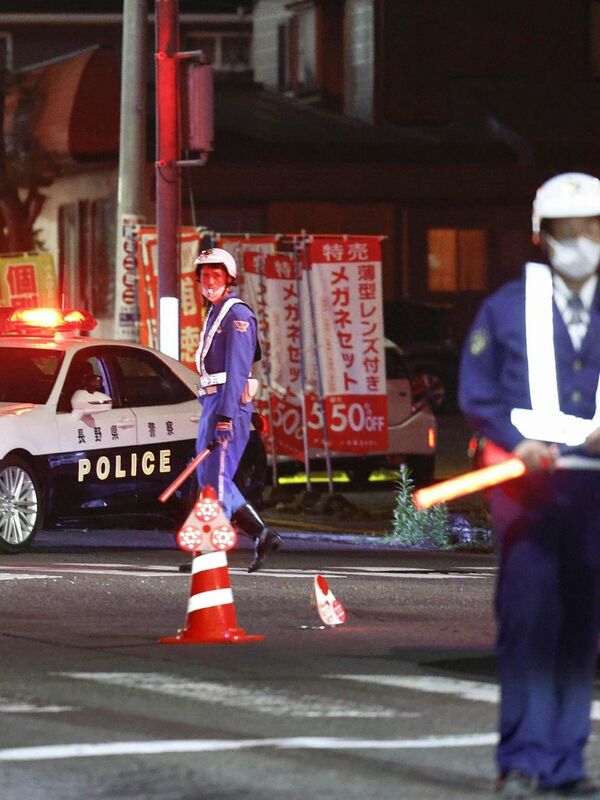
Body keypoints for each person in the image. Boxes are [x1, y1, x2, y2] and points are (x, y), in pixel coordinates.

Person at [459, 173, 600, 799]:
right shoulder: (506, 307)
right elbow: (477, 392)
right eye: (567, 233)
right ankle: (521, 759)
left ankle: (565, 763)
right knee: (528, 624)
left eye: (591, 230)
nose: (579, 244)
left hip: (596, 498)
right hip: (528, 495)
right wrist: (518, 445)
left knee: (582, 628)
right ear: (541, 237)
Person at [186, 247, 281, 573]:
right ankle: (259, 535)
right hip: (213, 402)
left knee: (216, 478)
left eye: (216, 275)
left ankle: (211, 554)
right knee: (210, 476)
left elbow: (238, 368)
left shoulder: (237, 314)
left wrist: (226, 415)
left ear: (228, 279)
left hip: (227, 404)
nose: (209, 281)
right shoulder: (215, 311)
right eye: (204, 276)